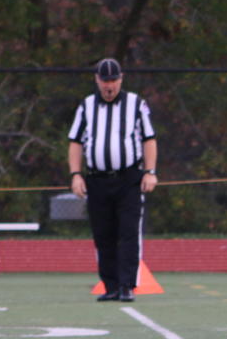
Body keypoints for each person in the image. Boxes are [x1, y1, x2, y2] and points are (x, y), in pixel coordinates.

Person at [67, 58, 158, 302]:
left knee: (128, 232)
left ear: (121, 79)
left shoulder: (136, 104)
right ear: (97, 80)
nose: (110, 86)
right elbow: (75, 142)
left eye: (114, 80)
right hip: (97, 179)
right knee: (103, 233)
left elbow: (149, 139)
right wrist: (76, 175)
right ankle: (110, 285)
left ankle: (127, 285)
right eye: (105, 81)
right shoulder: (86, 106)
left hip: (128, 178)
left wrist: (150, 172)